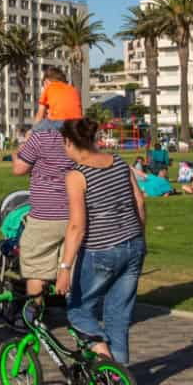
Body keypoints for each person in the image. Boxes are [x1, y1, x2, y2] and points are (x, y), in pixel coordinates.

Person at [54, 117, 147, 367]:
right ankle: (121, 384)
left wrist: (64, 269)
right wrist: (138, 238)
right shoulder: (118, 161)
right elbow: (139, 201)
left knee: (78, 312)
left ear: (70, 143)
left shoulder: (77, 175)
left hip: (101, 251)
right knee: (119, 318)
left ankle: (104, 362)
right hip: (134, 244)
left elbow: (77, 226)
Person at [9, 119, 75, 313]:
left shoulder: (41, 137)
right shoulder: (76, 137)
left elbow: (19, 169)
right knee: (69, 264)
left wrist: (15, 155)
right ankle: (78, 316)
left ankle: (34, 316)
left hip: (45, 214)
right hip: (74, 213)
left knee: (37, 268)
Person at [33, 65, 83, 133]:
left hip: (60, 123)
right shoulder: (72, 89)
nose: (43, 88)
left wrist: (33, 130)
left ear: (46, 82)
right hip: (78, 123)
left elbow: (40, 114)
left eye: (43, 86)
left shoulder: (48, 88)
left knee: (35, 129)